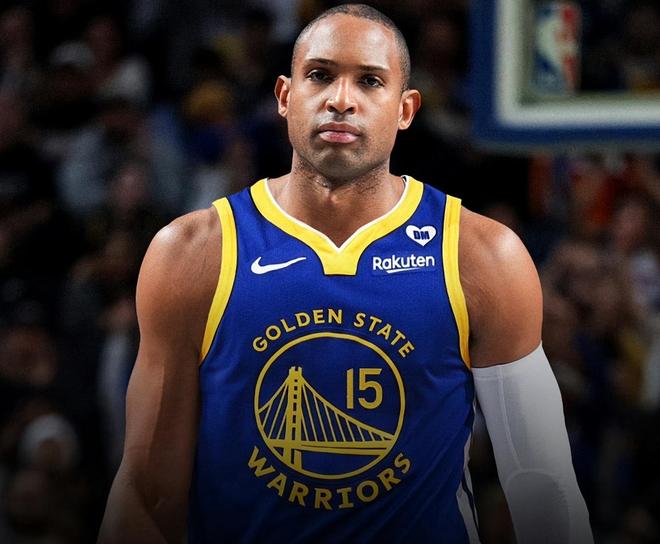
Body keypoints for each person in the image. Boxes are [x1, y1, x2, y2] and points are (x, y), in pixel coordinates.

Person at [98, 4, 593, 543]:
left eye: (370, 81)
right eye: (320, 75)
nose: (341, 99)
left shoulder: (482, 255)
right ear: (285, 96)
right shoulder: (193, 253)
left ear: (405, 109)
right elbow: (147, 494)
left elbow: (544, 485)